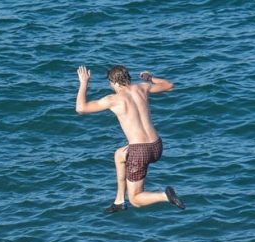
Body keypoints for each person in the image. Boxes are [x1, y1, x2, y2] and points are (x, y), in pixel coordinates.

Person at [75, 64, 185, 213]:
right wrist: (151, 78)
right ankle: (119, 201)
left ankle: (165, 196)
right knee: (119, 155)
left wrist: (84, 83)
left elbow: (81, 108)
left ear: (113, 82)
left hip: (140, 151)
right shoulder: (143, 88)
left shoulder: (113, 99)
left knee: (135, 200)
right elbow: (169, 85)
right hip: (156, 145)